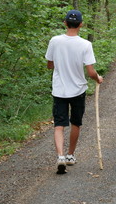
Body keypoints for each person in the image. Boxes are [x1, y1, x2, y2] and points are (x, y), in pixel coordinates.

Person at [45, 10, 103, 174]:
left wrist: (61, 65)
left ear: (65, 23)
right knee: (75, 122)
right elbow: (90, 72)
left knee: (59, 124)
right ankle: (70, 155)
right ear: (81, 24)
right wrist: (98, 78)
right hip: (78, 90)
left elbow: (50, 65)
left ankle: (60, 156)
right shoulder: (85, 44)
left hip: (59, 91)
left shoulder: (55, 41)